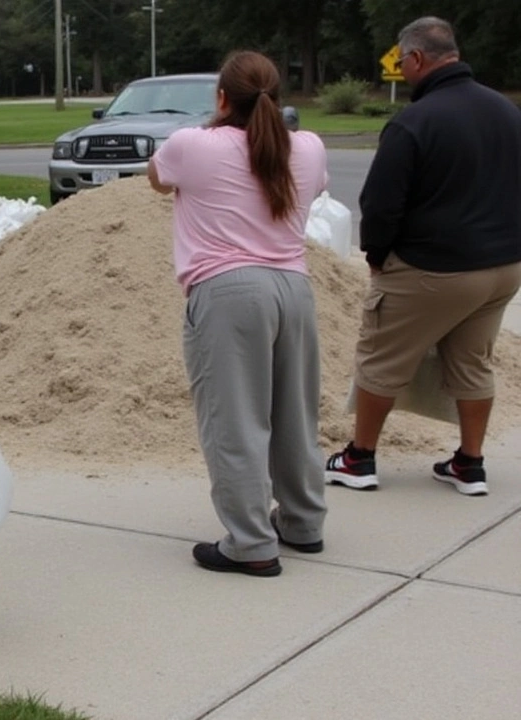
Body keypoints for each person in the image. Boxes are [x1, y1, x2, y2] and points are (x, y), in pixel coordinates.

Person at [148, 50, 329, 577]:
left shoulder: (191, 146)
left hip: (226, 292)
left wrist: (215, 125)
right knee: (296, 415)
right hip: (295, 289)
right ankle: (302, 523)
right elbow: (311, 188)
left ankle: (250, 543)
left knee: (236, 421)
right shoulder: (310, 148)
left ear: (222, 97)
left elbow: (157, 179)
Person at [324, 18, 521, 497]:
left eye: (400, 60)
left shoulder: (414, 121)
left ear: (415, 60)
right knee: (473, 363)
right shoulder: (507, 112)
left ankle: (359, 458)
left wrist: (377, 256)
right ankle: (469, 464)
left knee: (381, 359)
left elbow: (381, 203)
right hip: (502, 268)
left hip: (433, 268)